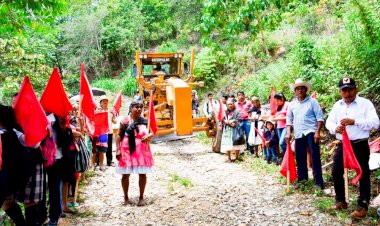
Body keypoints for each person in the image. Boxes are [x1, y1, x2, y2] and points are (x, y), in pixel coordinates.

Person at [326, 77, 379, 217]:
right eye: (344, 90)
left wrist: (355, 122)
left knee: (363, 173)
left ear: (356, 89)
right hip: (342, 144)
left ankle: (362, 205)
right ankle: (341, 201)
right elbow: (328, 122)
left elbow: (375, 123)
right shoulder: (338, 105)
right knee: (336, 171)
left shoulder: (365, 104)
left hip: (359, 144)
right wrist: (334, 128)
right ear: (340, 92)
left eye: (350, 89)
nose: (347, 93)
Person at [286, 78, 324, 189]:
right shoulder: (292, 104)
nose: (300, 90)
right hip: (298, 133)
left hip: (311, 131)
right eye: (297, 89)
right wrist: (288, 133)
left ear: (306, 89)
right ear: (295, 91)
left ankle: (319, 182)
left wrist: (317, 132)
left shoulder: (313, 102)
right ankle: (302, 180)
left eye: (302, 88)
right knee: (300, 157)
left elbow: (320, 118)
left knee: (315, 156)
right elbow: (289, 120)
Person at [115, 101, 154, 206]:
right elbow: (119, 135)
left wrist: (149, 136)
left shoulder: (145, 121)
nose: (139, 109)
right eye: (136, 107)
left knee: (142, 174)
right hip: (127, 150)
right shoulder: (125, 121)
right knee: (125, 175)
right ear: (131, 108)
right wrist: (118, 149)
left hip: (141, 150)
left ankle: (141, 198)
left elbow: (152, 132)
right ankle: (126, 198)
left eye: (141, 107)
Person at [0, 104, 27, 226]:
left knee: (8, 205)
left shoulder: (5, 136)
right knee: (8, 205)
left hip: (3, 181)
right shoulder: (11, 135)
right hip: (9, 181)